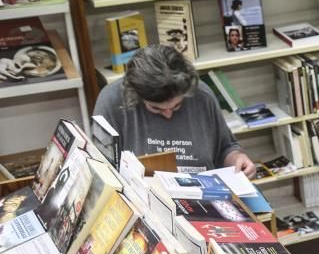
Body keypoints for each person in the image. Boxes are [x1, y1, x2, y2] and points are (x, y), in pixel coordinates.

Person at [93, 45, 255, 176]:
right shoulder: (111, 101)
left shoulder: (201, 96)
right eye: (156, 108)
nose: (168, 114)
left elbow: (225, 148)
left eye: (177, 106)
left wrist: (237, 159)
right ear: (135, 95)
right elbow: (104, 170)